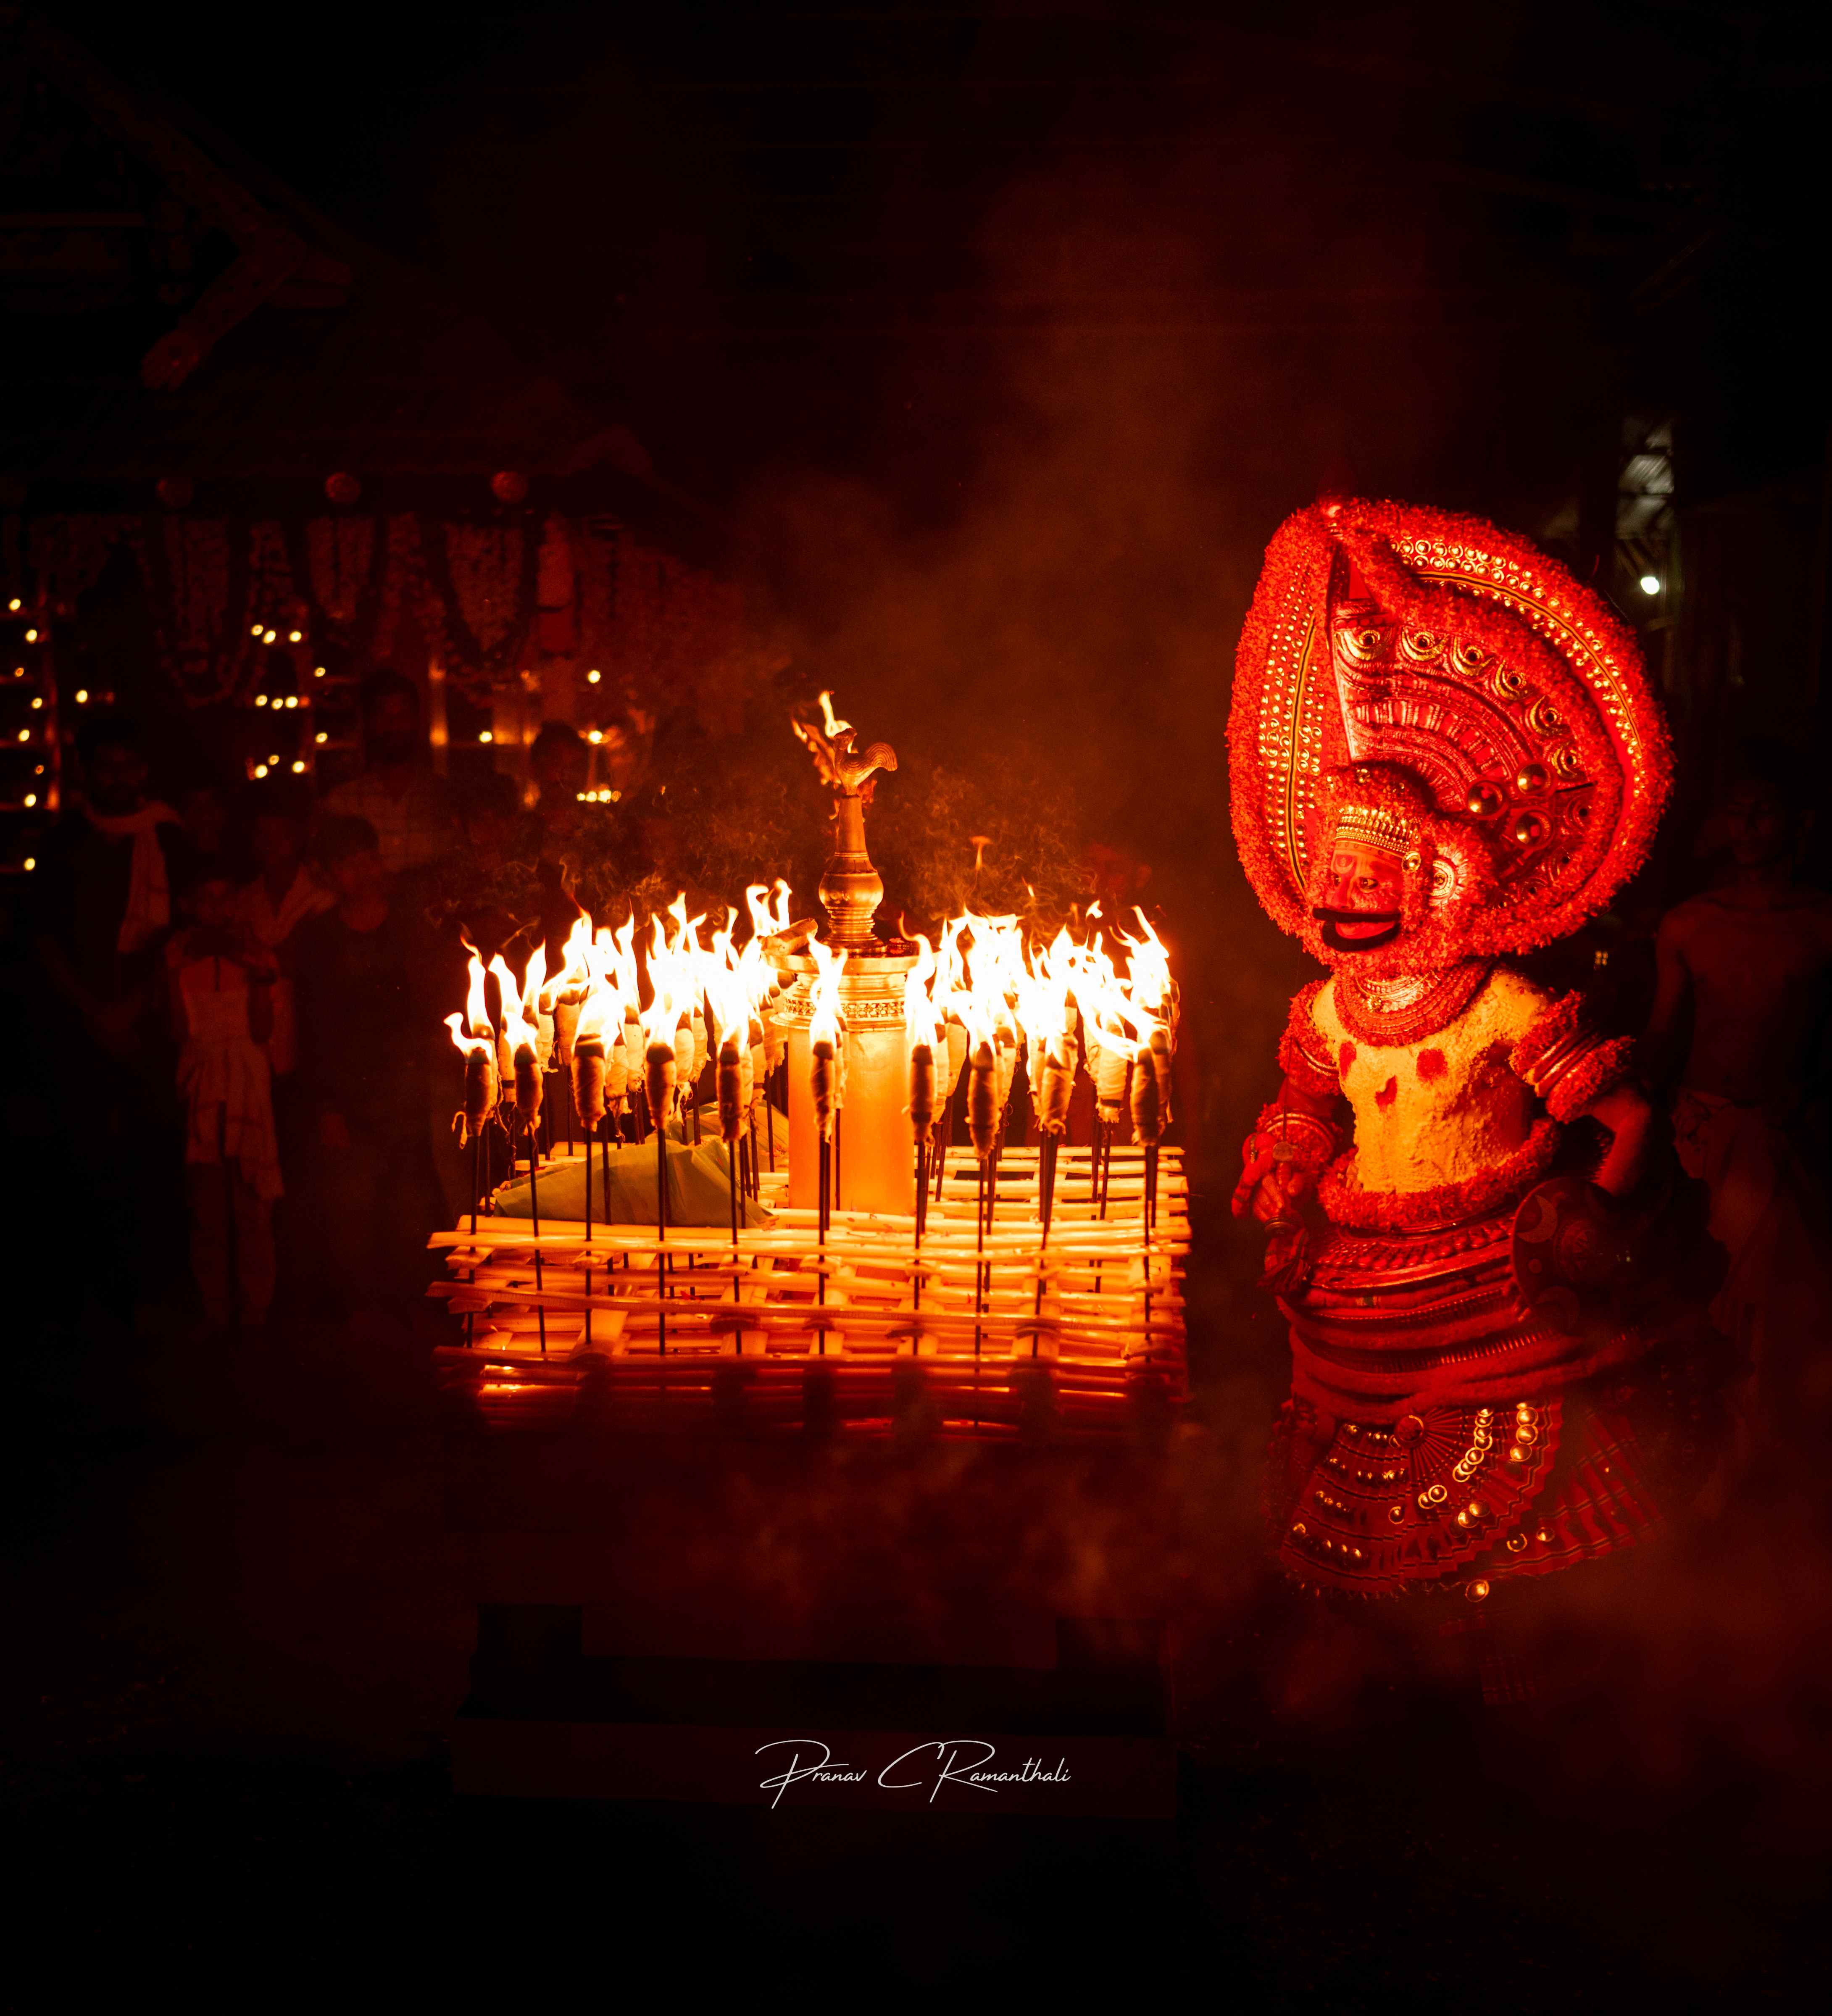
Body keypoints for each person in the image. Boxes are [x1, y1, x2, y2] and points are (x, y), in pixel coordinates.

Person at [1227, 497, 1718, 1627]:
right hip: (1362, 1279)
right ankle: (1396, 1663)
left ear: (1433, 881)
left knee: (1528, 1501)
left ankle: (1528, 1657)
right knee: (1368, 1478)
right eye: (1335, 877)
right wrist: (1287, 1164)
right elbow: (1308, 1103)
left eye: (1370, 878)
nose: (1346, 896)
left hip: (1502, 1279)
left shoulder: (1499, 1001)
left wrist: (1586, 1225)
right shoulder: (1325, 1008)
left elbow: (1629, 1118)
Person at [1645, 744, 1832, 1445]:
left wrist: (1810, 1093)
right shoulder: (1690, 923)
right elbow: (1666, 1031)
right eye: (1738, 811)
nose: (1750, 824)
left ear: (1798, 823)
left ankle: (1768, 1462)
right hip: (1699, 1130)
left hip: (1786, 1138)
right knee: (1700, 1294)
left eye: (1765, 811)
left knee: (1782, 1309)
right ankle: (1696, 1448)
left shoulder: (1821, 924)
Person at [292, 816, 447, 1311]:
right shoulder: (318, 939)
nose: (363, 872)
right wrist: (327, 1107)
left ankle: (414, 1315)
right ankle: (363, 1322)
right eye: (348, 864)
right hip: (350, 1097)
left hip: (410, 1091)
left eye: (369, 859)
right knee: (353, 1215)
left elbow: (435, 1008)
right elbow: (315, 1028)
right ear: (329, 874)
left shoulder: (411, 926)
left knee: (413, 1212)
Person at [165, 860, 282, 1332]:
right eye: (206, 898)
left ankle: (255, 1312)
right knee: (208, 1206)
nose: (217, 908)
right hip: (202, 1082)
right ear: (192, 905)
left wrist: (254, 973)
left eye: (225, 897)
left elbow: (262, 1030)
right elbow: (177, 1030)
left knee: (252, 1200)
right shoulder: (177, 954)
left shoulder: (257, 953)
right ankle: (214, 1312)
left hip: (247, 1083)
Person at [322, 670, 458, 878]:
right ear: (369, 723)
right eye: (383, 714)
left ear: (417, 720)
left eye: (402, 714)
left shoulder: (445, 798)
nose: (394, 724)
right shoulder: (343, 803)